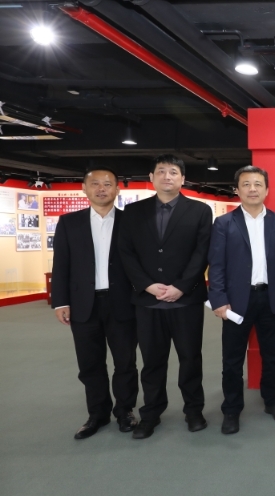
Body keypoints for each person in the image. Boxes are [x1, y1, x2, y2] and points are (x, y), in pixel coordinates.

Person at [118, 154, 212, 439]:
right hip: (148, 301)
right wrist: (147, 285)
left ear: (183, 178)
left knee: (190, 359)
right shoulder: (134, 212)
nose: (167, 176)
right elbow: (126, 253)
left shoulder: (199, 211)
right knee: (152, 362)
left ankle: (193, 410)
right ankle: (151, 414)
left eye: (173, 172)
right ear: (151, 177)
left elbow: (202, 252)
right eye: (161, 171)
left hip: (186, 300)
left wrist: (181, 286)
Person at [51, 165, 139, 439]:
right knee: (90, 364)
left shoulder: (131, 222)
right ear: (84, 189)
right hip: (83, 304)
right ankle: (97, 414)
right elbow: (61, 265)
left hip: (123, 303)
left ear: (117, 189)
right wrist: (60, 302)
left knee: (125, 362)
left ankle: (125, 411)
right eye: (95, 184)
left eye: (107, 184)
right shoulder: (69, 222)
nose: (101, 189)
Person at [207, 166, 275, 435]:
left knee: (272, 356)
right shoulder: (224, 223)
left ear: (267, 190)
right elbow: (216, 265)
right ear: (237, 190)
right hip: (235, 303)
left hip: (271, 299)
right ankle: (232, 410)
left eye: (258, 184)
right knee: (232, 360)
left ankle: (273, 401)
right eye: (246, 184)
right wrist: (218, 299)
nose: (252, 189)